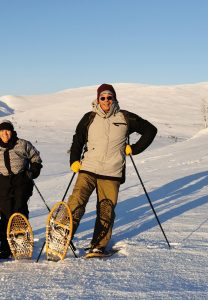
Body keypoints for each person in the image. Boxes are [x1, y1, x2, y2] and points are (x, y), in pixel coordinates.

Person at [68, 84, 157, 255]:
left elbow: (150, 130)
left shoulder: (125, 117)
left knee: (106, 209)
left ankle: (98, 245)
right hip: (88, 168)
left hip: (112, 172)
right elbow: (78, 139)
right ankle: (64, 237)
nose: (106, 100)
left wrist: (134, 149)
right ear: (98, 99)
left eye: (110, 97)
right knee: (76, 203)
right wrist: (74, 160)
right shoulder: (89, 117)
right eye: (103, 97)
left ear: (114, 98)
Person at [0, 120, 43, 259]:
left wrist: (33, 170)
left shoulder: (22, 144)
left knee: (19, 210)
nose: (5, 133)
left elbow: (36, 157)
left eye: (7, 130)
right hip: (3, 181)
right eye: (2, 131)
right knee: (5, 213)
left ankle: (21, 242)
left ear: (12, 131)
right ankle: (5, 247)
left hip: (21, 179)